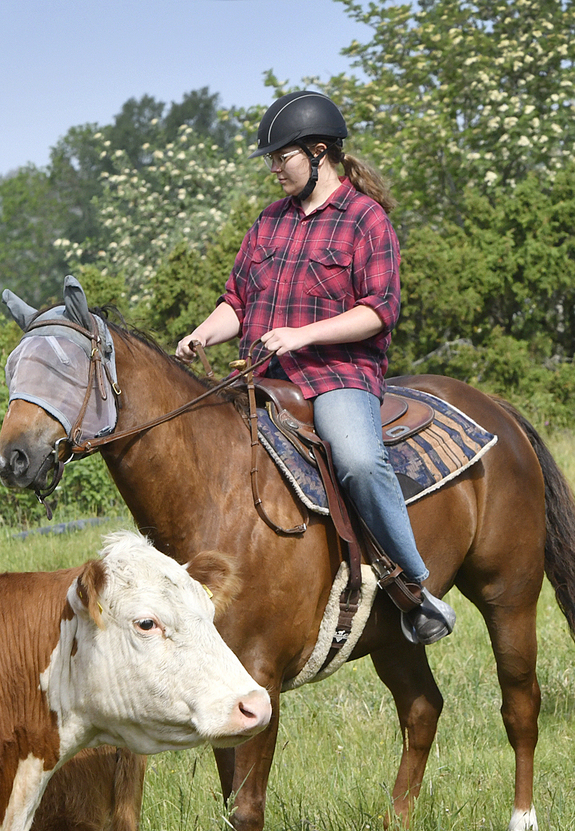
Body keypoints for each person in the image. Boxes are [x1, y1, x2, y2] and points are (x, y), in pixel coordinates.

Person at [176, 91, 456, 644]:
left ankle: (415, 590)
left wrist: (301, 335)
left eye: (282, 157)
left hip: (337, 376)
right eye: (271, 159)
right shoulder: (269, 222)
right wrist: (202, 332)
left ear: (319, 153)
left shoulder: (365, 220)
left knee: (355, 458)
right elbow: (237, 300)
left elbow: (378, 312)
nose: (274, 168)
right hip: (260, 374)